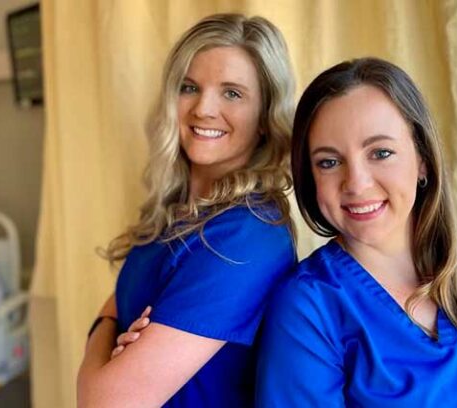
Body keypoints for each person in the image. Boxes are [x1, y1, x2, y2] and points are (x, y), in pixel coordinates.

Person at [255, 57, 457, 407]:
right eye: (329, 162)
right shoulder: (307, 308)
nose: (356, 183)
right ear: (311, 179)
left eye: (380, 153)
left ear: (422, 160)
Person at [76, 13, 297, 407]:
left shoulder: (247, 235)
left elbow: (106, 402)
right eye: (189, 87)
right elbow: (113, 307)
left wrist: (102, 347)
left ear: (265, 117)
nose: (203, 109)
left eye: (232, 93)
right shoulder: (176, 213)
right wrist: (109, 333)